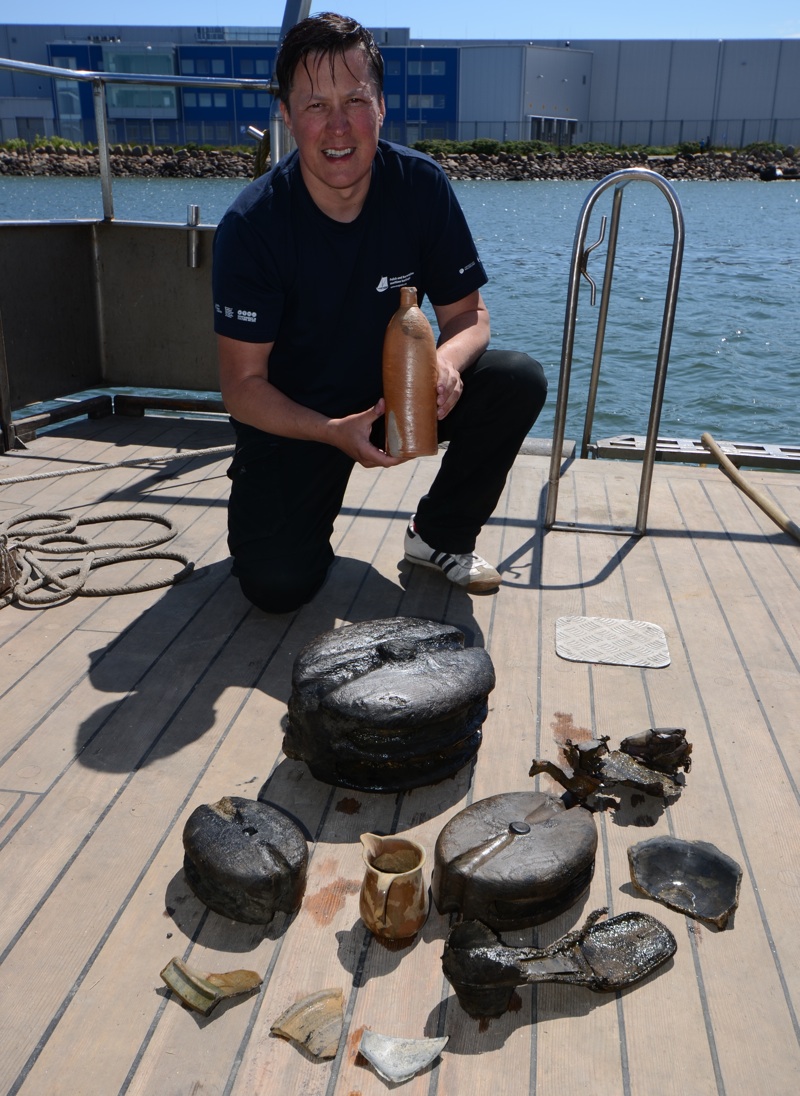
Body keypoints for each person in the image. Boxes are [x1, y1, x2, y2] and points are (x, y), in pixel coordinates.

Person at [212, 12, 547, 614]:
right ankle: (280, 513)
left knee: (515, 380)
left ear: (383, 107)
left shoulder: (421, 187)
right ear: (286, 115)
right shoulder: (252, 226)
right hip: (302, 419)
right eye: (315, 105)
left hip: (401, 399)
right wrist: (330, 432)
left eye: (356, 100)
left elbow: (471, 317)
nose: (338, 126)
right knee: (276, 586)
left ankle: (438, 535)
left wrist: (444, 366)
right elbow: (242, 387)